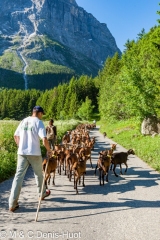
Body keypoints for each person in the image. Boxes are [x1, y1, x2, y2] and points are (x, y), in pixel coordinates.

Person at [9, 106, 52, 212]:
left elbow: (16, 136)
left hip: (22, 153)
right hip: (34, 153)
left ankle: (12, 204)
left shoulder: (24, 121)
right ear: (40, 113)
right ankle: (41, 194)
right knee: (38, 174)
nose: (42, 116)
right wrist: (49, 150)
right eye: (42, 114)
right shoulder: (38, 122)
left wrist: (21, 146)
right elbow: (44, 140)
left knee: (18, 177)